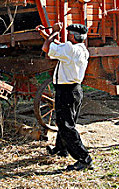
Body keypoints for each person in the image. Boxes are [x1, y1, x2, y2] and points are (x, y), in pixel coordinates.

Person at [36, 22, 92, 171]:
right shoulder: (81, 49)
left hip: (66, 91)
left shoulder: (70, 49)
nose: (67, 36)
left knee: (66, 125)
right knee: (65, 122)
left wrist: (54, 32)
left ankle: (84, 158)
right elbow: (60, 47)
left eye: (68, 34)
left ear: (72, 36)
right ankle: (61, 150)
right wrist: (45, 34)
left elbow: (46, 48)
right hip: (75, 90)